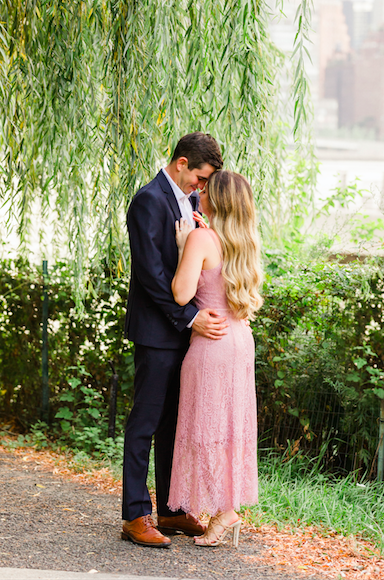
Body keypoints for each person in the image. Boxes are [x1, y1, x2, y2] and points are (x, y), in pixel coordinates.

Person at [121, 132, 227, 548]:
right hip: (156, 333)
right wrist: (191, 317)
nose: (201, 186)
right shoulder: (148, 200)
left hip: (187, 336)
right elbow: (150, 274)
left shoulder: (194, 201)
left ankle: (170, 509)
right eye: (200, 177)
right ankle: (135, 515)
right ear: (182, 163)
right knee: (145, 424)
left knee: (173, 426)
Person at [168, 170, 263, 548]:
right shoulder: (245, 241)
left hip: (211, 343)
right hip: (239, 339)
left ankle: (225, 512)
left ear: (217, 200)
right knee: (230, 427)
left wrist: (182, 248)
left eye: (205, 190)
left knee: (205, 427)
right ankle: (226, 507)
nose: (199, 194)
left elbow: (181, 294)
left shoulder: (200, 238)